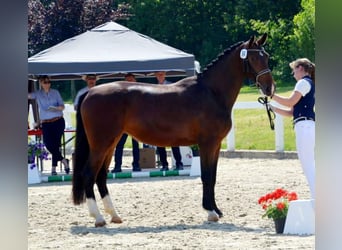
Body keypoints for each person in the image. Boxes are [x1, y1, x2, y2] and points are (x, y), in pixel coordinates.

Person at [270, 58, 315, 199]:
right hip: (305, 125)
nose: (293, 73)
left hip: (305, 126)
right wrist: (273, 108)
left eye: (294, 70)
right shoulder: (308, 84)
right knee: (309, 163)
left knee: (308, 164)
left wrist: (271, 95)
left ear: (301, 68)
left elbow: (290, 101)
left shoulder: (303, 83)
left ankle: (318, 197)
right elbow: (291, 112)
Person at [28, 75, 70, 175]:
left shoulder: (55, 92)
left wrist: (56, 108)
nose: (47, 84)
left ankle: (53, 169)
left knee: (56, 145)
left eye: (48, 82)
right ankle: (64, 161)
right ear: (41, 83)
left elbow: (62, 106)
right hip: (46, 123)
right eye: (45, 82)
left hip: (58, 121)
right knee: (48, 145)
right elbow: (28, 95)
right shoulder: (38, 94)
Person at [111, 73, 141, 173]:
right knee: (119, 145)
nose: (129, 82)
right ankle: (117, 166)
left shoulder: (139, 93)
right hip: (123, 123)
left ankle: (136, 165)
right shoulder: (121, 94)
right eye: (127, 80)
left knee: (136, 145)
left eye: (131, 80)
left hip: (135, 123)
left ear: (135, 80)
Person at [154, 71, 184, 171]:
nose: (160, 76)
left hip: (171, 119)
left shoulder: (171, 86)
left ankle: (179, 163)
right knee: (159, 143)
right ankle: (164, 165)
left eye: (162, 74)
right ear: (156, 76)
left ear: (165, 75)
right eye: (158, 75)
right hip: (159, 119)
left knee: (174, 142)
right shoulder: (153, 88)